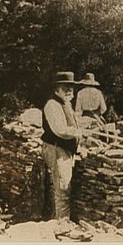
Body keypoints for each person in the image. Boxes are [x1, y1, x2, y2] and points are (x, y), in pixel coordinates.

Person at [41, 71, 84, 220]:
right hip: (56, 149)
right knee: (63, 188)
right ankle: (62, 226)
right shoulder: (52, 105)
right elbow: (60, 131)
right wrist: (80, 132)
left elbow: (74, 124)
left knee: (63, 187)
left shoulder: (66, 104)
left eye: (71, 87)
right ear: (56, 88)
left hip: (65, 149)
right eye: (65, 87)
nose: (69, 90)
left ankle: (60, 220)